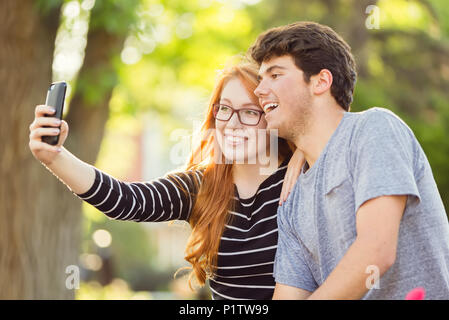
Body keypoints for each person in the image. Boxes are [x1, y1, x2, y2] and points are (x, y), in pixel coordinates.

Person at [28, 62, 305, 300]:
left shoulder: (300, 176)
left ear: (271, 117)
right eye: (224, 109)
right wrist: (55, 157)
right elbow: (128, 200)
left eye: (249, 112)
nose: (232, 123)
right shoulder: (202, 185)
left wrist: (303, 149)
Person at [249, 21, 449, 299]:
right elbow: (290, 293)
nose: (259, 90)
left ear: (321, 81)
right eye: (261, 78)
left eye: (275, 75)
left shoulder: (374, 129)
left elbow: (376, 251)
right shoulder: (291, 199)